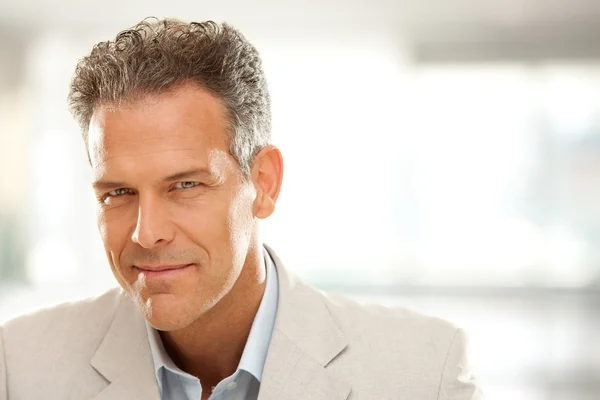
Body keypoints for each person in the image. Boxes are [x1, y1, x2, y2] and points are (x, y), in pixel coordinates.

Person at [0, 18, 484, 400]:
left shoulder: (424, 372)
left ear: (265, 184)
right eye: (118, 193)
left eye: (185, 184)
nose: (146, 235)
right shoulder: (21, 366)